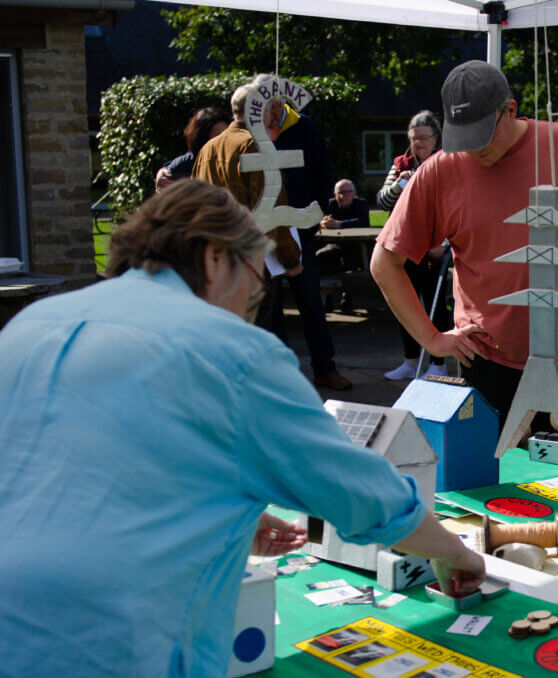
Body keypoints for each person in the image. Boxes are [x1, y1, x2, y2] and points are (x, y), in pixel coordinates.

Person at [0, 180, 485, 677]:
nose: (251, 313)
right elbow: (360, 491)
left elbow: (78, 467)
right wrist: (452, 552)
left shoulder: (30, 324)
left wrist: (223, 516)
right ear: (214, 258)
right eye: (255, 289)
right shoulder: (232, 352)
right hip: (113, 646)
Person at [371, 60, 558, 424]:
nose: (472, 150)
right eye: (462, 138)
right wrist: (431, 339)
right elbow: (384, 263)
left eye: (481, 135)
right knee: (494, 477)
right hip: (487, 366)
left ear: (509, 110)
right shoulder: (439, 170)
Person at [261, 78, 353, 392]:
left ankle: (325, 368)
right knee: (270, 307)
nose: (268, 114)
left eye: (272, 107)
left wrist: (311, 220)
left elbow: (322, 172)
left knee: (311, 301)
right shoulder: (252, 131)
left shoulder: (304, 127)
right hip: (265, 230)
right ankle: (282, 376)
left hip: (299, 226)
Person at [191, 83, 302, 277]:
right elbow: (271, 210)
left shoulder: (208, 148)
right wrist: (290, 258)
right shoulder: (255, 145)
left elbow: (192, 202)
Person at [376, 111, 451, 380]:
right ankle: (410, 361)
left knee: (435, 305)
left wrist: (444, 244)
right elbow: (382, 202)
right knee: (404, 303)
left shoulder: (448, 162)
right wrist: (400, 184)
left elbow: (455, 207)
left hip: (435, 249)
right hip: (404, 248)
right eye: (413, 138)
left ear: (436, 137)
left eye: (423, 137)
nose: (418, 143)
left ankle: (438, 363)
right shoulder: (401, 164)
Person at [155, 106, 232, 191]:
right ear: (202, 141)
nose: (225, 142)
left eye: (227, 135)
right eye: (218, 138)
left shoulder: (238, 158)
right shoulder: (185, 165)